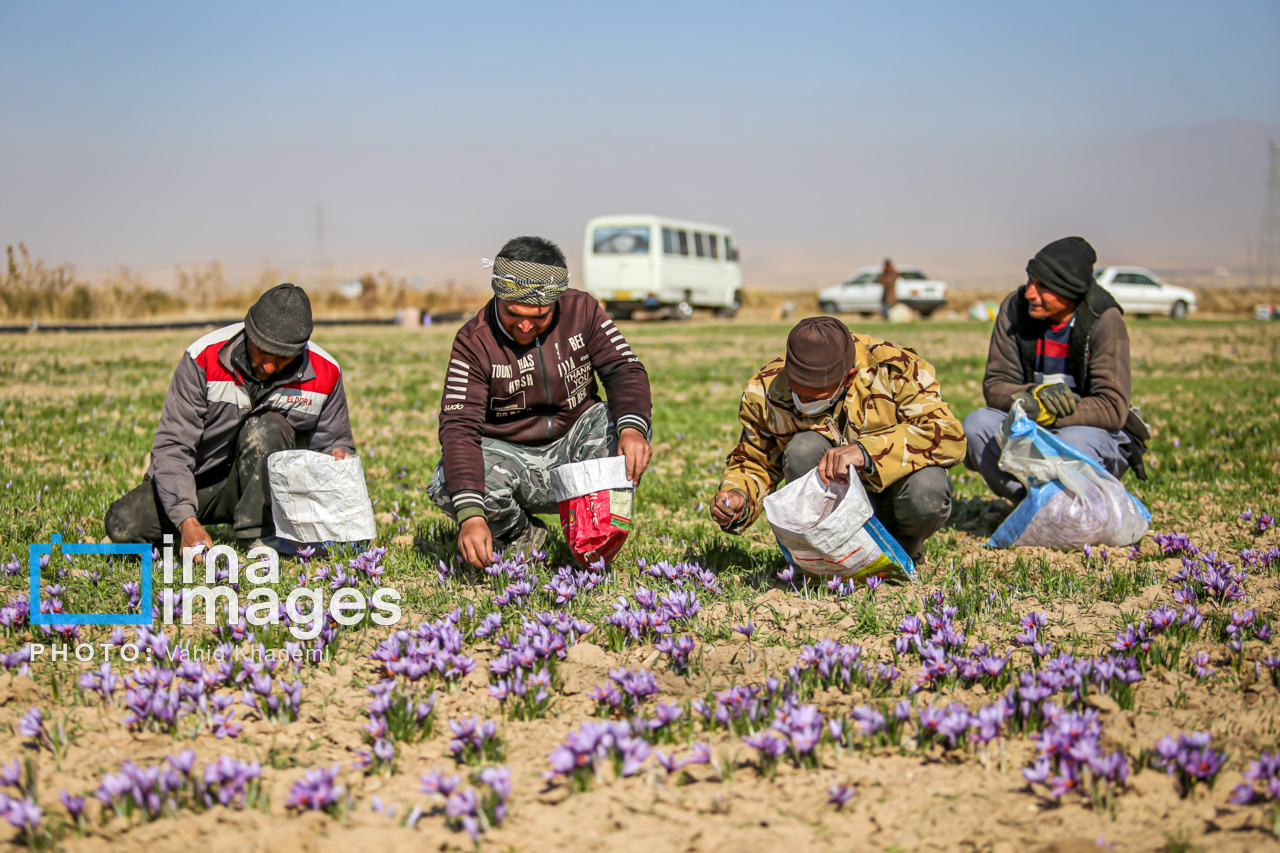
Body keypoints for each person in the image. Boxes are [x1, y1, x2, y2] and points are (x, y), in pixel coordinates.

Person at [428, 236, 654, 568]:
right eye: (513, 314)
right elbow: (459, 427)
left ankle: (590, 549)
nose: (524, 325)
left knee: (619, 424)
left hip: (576, 443)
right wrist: (472, 517)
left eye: (539, 316)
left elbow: (624, 369)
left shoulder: (583, 311)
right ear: (498, 296)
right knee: (449, 482)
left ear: (556, 302)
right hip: (512, 457)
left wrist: (633, 429)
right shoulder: (473, 341)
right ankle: (523, 536)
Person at [105, 283, 356, 551]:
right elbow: (173, 447)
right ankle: (189, 530)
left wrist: (337, 455)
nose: (269, 365)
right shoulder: (202, 359)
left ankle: (259, 536)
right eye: (263, 350)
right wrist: (186, 520)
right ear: (248, 332)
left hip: (271, 491)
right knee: (124, 524)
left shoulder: (326, 371)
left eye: (283, 357)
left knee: (267, 427)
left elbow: (334, 444)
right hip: (200, 481)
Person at [710, 316, 966, 563]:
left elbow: (947, 435)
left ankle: (902, 552)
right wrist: (738, 496)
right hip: (829, 517)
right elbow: (755, 459)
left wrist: (867, 453)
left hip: (891, 503)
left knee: (928, 486)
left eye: (814, 397)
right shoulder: (766, 389)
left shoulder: (896, 369)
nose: (803, 401)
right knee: (803, 449)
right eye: (797, 391)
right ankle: (826, 559)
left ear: (849, 378)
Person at [962, 236, 1148, 503]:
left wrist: (1050, 414)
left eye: (1042, 286)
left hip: (1090, 435)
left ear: (1069, 290)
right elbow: (996, 384)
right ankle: (1031, 506)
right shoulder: (1015, 310)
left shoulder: (1104, 319)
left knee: (1070, 442)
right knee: (976, 425)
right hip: (1030, 427)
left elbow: (1113, 407)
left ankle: (1072, 507)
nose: (1029, 293)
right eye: (1030, 281)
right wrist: (1033, 398)